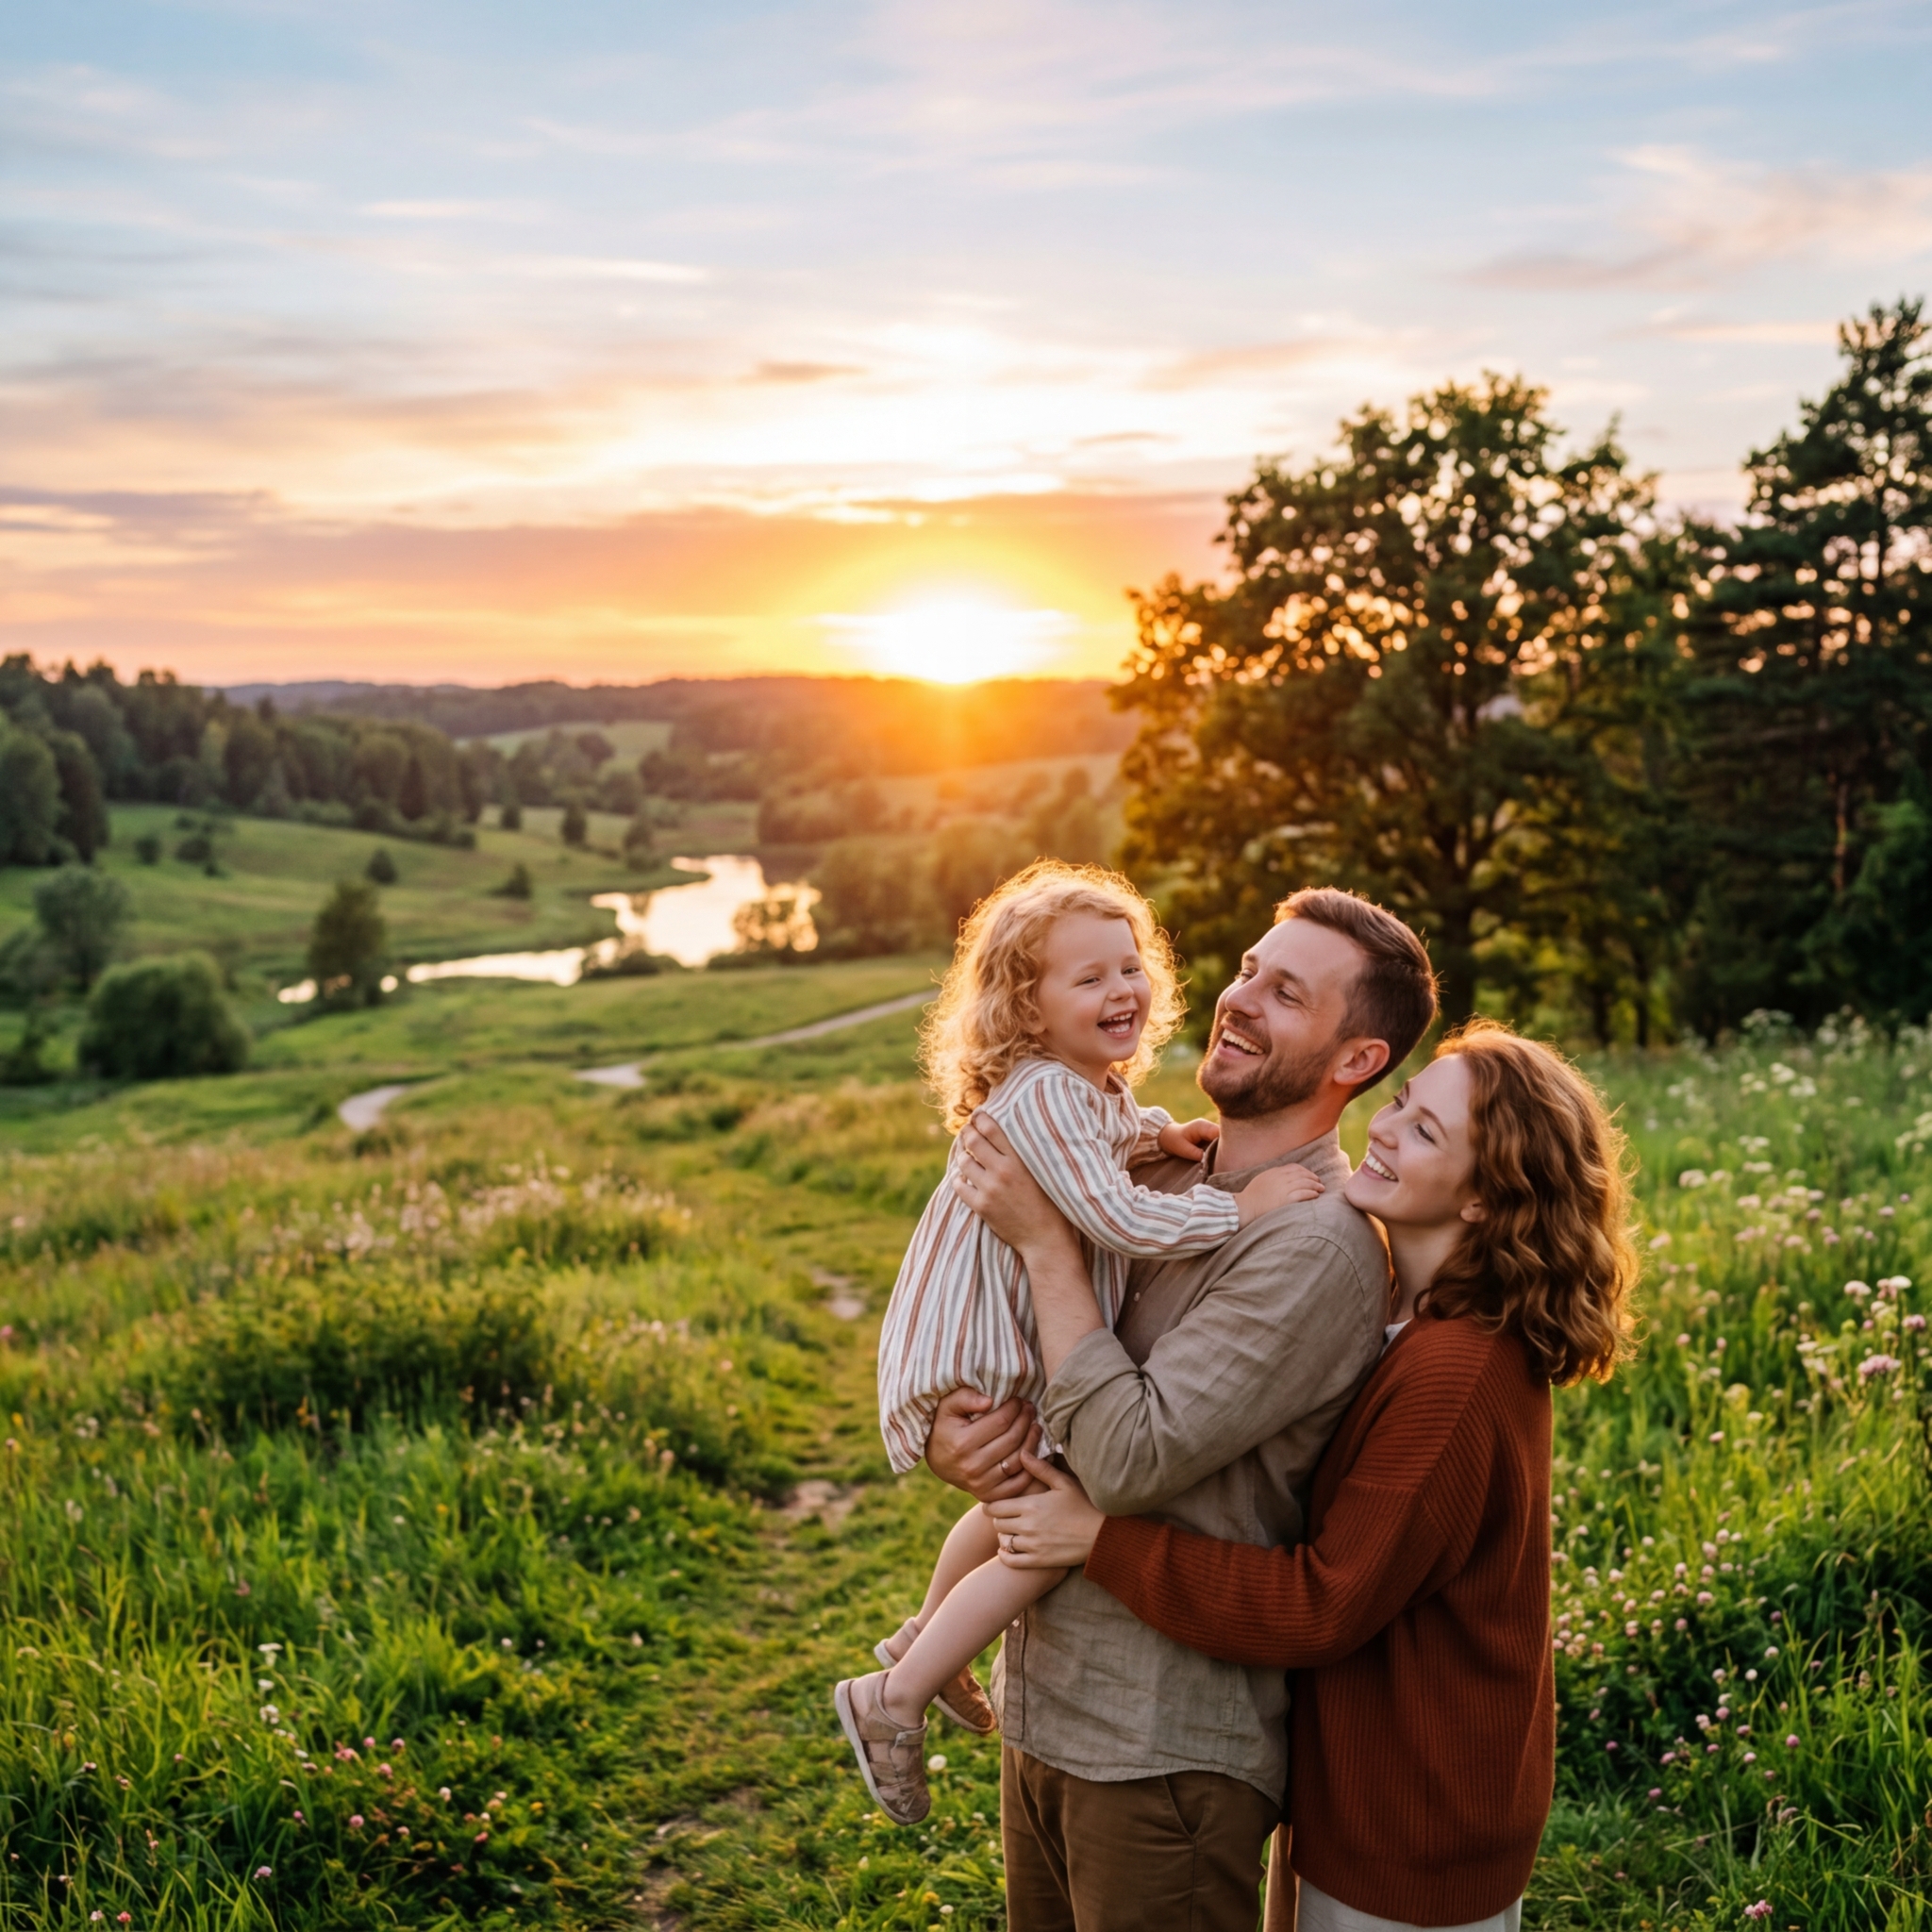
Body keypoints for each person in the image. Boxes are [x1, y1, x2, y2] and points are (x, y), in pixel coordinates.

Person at [978, 1022, 1641, 1932]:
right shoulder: (1408, 1322)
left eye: (1426, 1132)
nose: (1387, 1128)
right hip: (1357, 1795)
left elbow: (1323, 1602)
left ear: (1487, 1200)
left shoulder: (1457, 1374)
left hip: (1413, 1829)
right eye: (1403, 1103)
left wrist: (1103, 1542)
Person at [930, 886, 1440, 1932]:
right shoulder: (1162, 1183)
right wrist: (960, 1431)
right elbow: (1040, 1373)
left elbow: (1122, 1459)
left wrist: (1040, 1241)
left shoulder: (1312, 1245)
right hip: (1048, 1705)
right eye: (1249, 968)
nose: (1237, 998)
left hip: (1158, 1746)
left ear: (1355, 1060)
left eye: (1285, 992)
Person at [835, 861, 1323, 1825]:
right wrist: (1238, 1201)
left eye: (1129, 965)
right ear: (1027, 1005)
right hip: (984, 1334)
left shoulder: (1079, 1090)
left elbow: (1107, 1143)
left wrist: (1157, 1134)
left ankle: (922, 1642)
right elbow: (1115, 1215)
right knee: (1043, 1527)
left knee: (1015, 1496)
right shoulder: (1052, 1093)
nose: (1122, 990)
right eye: (1087, 978)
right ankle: (890, 1693)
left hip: (980, 1330)